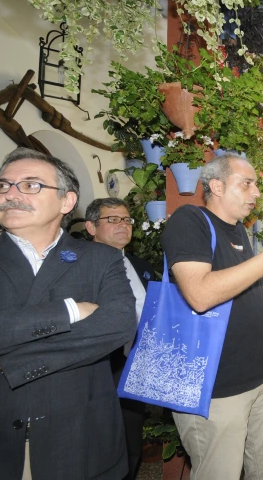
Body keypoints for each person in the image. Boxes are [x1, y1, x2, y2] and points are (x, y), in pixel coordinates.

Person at [0, 147, 137, 480]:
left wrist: (9, 361)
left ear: (67, 202)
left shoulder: (100, 260)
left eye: (30, 185)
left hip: (79, 441)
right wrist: (67, 311)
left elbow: (118, 324)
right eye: (3, 185)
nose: (11, 193)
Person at [160, 152, 263, 480]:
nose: (256, 193)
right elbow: (200, 294)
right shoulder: (189, 220)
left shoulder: (239, 231)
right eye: (247, 184)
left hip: (261, 378)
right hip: (215, 390)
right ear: (217, 186)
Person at [85, 197, 156, 480]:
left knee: (130, 440)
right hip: (98, 369)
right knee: (98, 446)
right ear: (91, 226)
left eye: (126, 219)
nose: (122, 225)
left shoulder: (140, 266)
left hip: (135, 368)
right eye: (112, 219)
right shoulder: (78, 268)